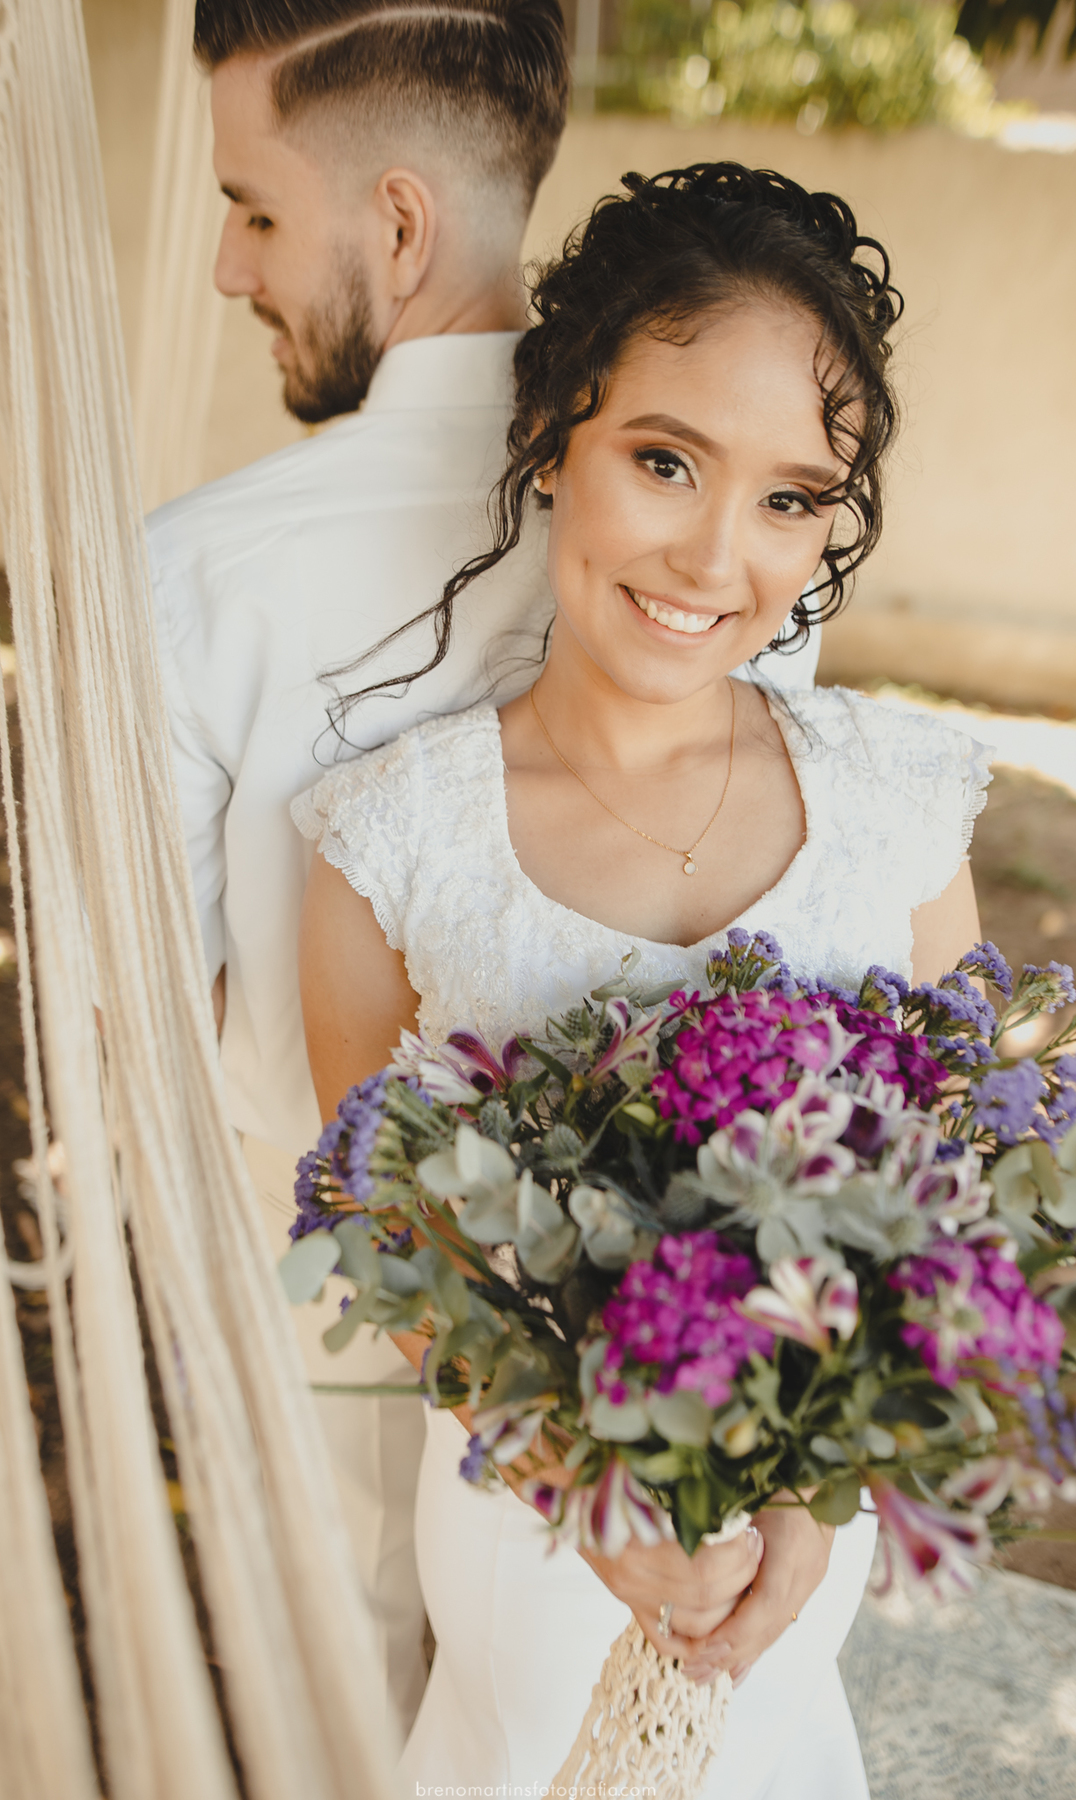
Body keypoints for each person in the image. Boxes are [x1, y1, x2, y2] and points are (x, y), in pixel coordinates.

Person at [149, 0, 822, 1738]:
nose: (230, 267)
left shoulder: (194, 575)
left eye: (254, 208)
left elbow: (145, 1018)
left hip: (327, 1335)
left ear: (394, 224)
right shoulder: (743, 545)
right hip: (684, 1359)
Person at [293, 163, 989, 1796]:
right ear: (554, 439)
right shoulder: (392, 838)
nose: (716, 556)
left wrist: (823, 1503)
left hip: (785, 1565)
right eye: (665, 461)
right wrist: (594, 1499)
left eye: (791, 498)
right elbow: (397, 1240)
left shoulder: (897, 810)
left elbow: (952, 1203)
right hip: (529, 1545)